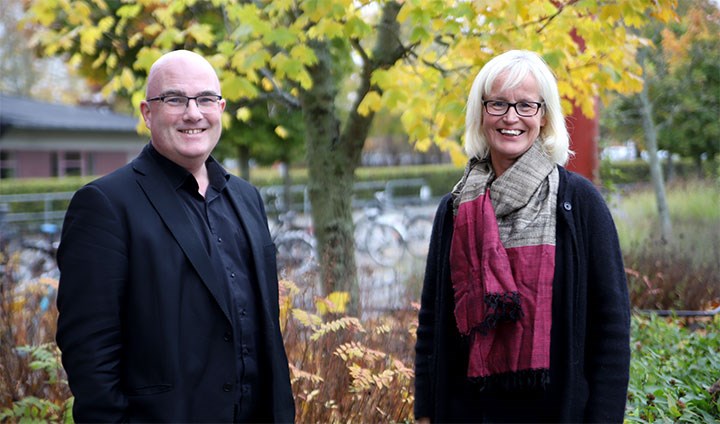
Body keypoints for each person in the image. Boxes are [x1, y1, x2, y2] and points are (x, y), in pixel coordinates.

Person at [56, 50, 295, 423]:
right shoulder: (105, 205)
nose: (193, 113)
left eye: (205, 99)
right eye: (175, 99)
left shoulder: (247, 198)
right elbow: (89, 352)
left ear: (221, 108)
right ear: (147, 113)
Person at [414, 50, 631, 423]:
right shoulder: (455, 210)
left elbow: (610, 326)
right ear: (481, 113)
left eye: (526, 105)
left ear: (544, 116)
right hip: (471, 413)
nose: (510, 117)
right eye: (497, 103)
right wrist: (427, 410)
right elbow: (433, 322)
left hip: (558, 413)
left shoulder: (579, 204)